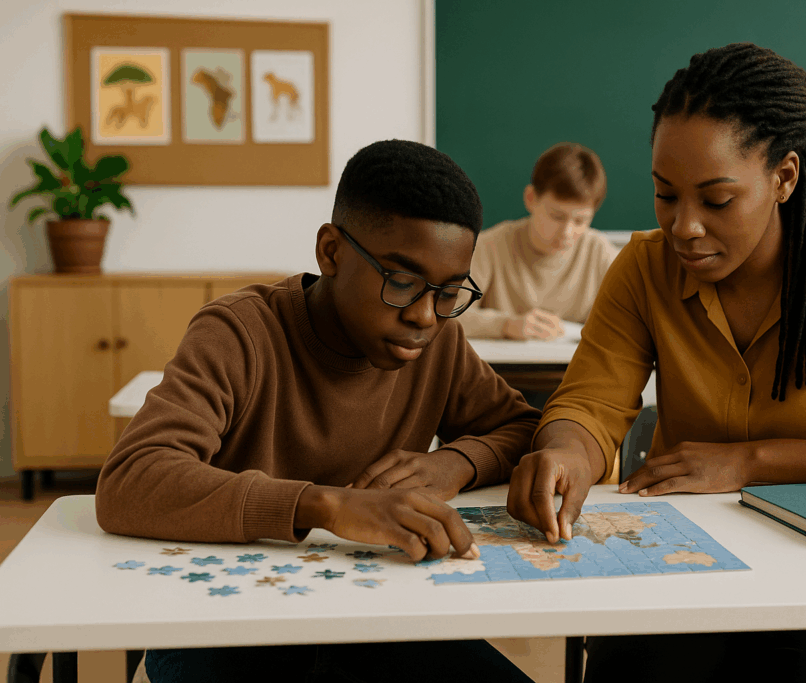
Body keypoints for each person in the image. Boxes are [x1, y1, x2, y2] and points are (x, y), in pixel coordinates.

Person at [506, 43, 806, 683]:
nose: (685, 227)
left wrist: (750, 463)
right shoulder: (643, 268)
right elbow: (590, 405)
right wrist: (565, 451)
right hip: (686, 557)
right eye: (665, 196)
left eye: (717, 200)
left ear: (784, 177)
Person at [95, 140, 539, 683]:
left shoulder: (436, 343)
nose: (425, 315)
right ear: (331, 252)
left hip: (375, 615)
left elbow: (521, 427)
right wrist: (324, 506)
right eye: (401, 282)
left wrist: (455, 463)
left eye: (448, 293)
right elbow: (131, 480)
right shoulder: (239, 333)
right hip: (223, 623)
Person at [458, 142, 618, 342]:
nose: (567, 232)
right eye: (557, 216)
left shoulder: (602, 255)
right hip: (501, 369)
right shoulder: (489, 246)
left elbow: (631, 326)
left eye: (580, 220)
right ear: (531, 198)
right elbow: (448, 315)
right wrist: (505, 325)